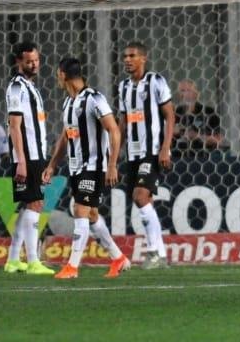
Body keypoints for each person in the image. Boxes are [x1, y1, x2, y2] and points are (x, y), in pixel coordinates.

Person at [43, 57, 129, 279]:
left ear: (63, 74)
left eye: (57, 74)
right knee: (90, 214)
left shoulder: (94, 99)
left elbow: (114, 130)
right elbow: (65, 138)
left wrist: (112, 165)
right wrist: (52, 165)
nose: (57, 78)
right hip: (76, 167)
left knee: (80, 210)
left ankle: (72, 266)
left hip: (94, 166)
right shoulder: (68, 102)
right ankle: (118, 258)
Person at [117, 42, 176, 268]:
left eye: (132, 56)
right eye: (125, 56)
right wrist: (113, 156)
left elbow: (170, 116)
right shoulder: (123, 87)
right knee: (142, 199)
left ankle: (153, 252)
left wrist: (165, 148)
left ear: (144, 58)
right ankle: (160, 254)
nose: (127, 60)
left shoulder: (156, 81)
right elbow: (122, 123)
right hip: (131, 153)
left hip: (151, 151)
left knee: (140, 196)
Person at [5, 41, 54, 275]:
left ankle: (13, 259)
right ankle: (33, 260)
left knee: (29, 205)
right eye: (28, 61)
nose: (34, 64)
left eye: (36, 60)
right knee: (35, 204)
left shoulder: (30, 87)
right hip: (28, 155)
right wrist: (21, 161)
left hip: (37, 154)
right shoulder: (17, 87)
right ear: (18, 62)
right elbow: (15, 126)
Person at [174, 79, 223, 153]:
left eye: (188, 90)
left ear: (196, 93)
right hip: (179, 157)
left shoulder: (208, 112)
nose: (184, 94)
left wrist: (196, 136)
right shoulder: (176, 112)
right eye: (182, 91)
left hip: (203, 156)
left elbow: (219, 140)